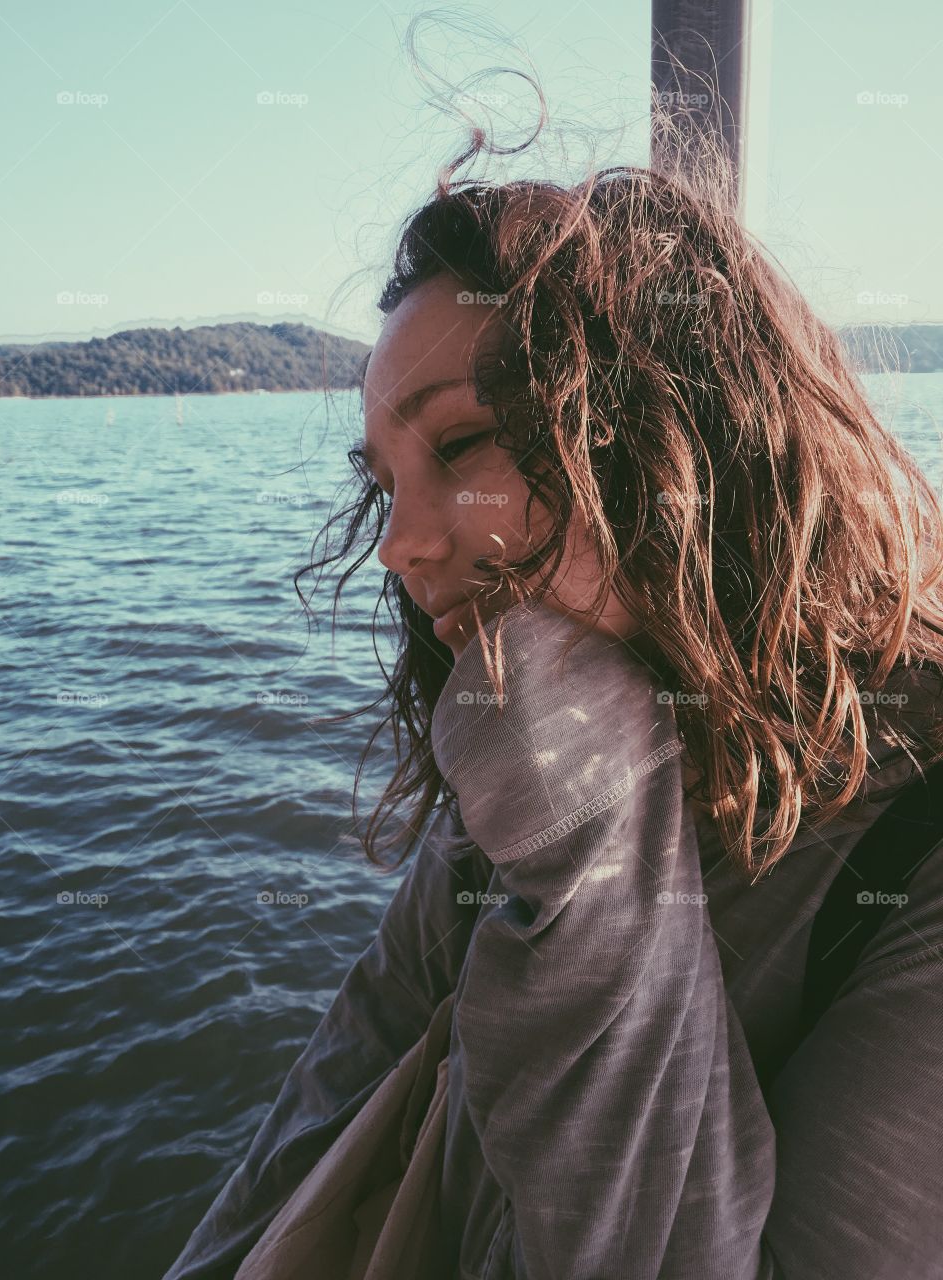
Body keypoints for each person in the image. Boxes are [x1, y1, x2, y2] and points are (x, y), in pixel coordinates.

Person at [163, 138, 943, 1279]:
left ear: (683, 426)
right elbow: (323, 1103)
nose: (401, 544)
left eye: (467, 441)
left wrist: (594, 808)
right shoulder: (499, 784)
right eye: (383, 482)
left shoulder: (913, 850)